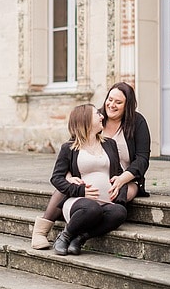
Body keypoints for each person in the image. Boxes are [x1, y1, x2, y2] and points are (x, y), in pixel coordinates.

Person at [31, 82, 152, 250]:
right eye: (110, 99)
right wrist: (68, 176)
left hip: (125, 175)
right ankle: (41, 230)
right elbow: (76, 146)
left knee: (120, 202)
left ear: (127, 106)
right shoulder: (95, 117)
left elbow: (142, 159)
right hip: (85, 176)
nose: (111, 105)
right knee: (66, 187)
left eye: (118, 102)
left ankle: (85, 229)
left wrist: (123, 178)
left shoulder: (136, 122)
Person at [49, 103, 128, 255]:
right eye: (97, 114)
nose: (102, 116)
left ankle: (80, 238)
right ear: (85, 119)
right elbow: (56, 178)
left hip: (105, 203)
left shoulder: (109, 144)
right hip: (79, 203)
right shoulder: (69, 147)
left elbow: (119, 174)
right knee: (92, 208)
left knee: (120, 212)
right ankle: (64, 236)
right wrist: (81, 190)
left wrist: (119, 193)